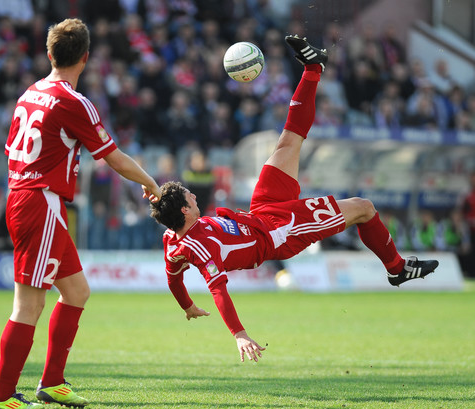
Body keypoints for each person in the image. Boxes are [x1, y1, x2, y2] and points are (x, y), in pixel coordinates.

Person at [149, 35, 440, 363]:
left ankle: (313, 68)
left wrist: (187, 306)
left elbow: (173, 279)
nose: (193, 193)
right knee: (364, 208)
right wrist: (239, 334)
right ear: (186, 209)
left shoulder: (171, 239)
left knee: (288, 141)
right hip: (277, 233)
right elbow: (218, 290)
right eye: (189, 195)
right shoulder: (197, 247)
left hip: (259, 211)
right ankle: (397, 268)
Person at [0, 18, 161, 409]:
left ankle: (52, 383)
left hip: (25, 197)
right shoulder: (73, 101)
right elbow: (113, 157)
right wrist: (151, 183)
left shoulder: (30, 92)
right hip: (41, 202)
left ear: (50, 54)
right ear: (85, 58)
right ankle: (1, 398)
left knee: (77, 292)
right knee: (28, 305)